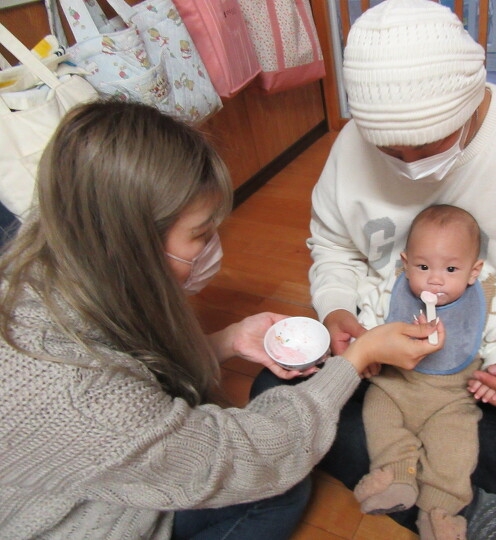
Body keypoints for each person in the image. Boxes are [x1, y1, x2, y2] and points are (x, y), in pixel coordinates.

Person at [252, 0, 496, 535]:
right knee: (269, 395)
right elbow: (333, 246)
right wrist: (335, 310)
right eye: (389, 150)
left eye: (425, 145)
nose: (408, 164)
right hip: (381, 337)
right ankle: (456, 505)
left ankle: (431, 455)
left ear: (470, 103)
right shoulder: (351, 145)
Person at [0, 99, 445, 540]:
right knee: (280, 482)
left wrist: (227, 340)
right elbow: (252, 457)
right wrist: (356, 359)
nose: (214, 246)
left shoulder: (45, 268)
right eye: (200, 234)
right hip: (83, 519)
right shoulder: (83, 398)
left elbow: (129, 373)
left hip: (88, 474)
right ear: (132, 242)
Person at [354, 204, 496, 539]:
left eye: (450, 269)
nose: (435, 279)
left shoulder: (489, 297)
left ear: (473, 272)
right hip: (394, 385)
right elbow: (370, 318)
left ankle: (440, 509)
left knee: (456, 448)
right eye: (423, 267)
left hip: (453, 398)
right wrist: (367, 349)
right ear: (406, 264)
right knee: (377, 416)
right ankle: (395, 476)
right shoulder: (392, 289)